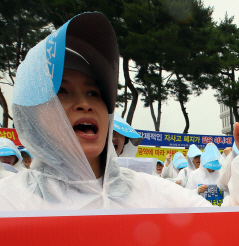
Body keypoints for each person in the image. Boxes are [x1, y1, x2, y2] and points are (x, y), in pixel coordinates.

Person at [0, 13, 210, 210]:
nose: (84, 104)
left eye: (93, 92)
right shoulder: (10, 202)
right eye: (61, 91)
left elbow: (228, 230)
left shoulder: (154, 195)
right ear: (31, 118)